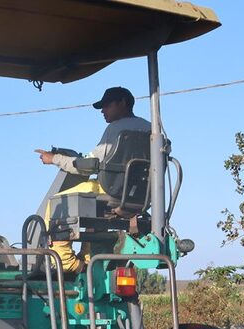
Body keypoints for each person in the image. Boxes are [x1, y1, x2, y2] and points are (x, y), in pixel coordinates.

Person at [34, 86, 154, 273]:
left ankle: (64, 261)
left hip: (110, 191)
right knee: (92, 213)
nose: (102, 111)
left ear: (122, 103)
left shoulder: (114, 129)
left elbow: (89, 165)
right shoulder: (150, 128)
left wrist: (54, 159)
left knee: (57, 202)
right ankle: (89, 256)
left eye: (106, 105)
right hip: (143, 196)